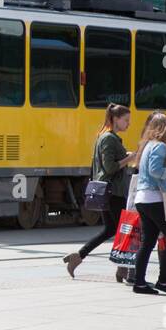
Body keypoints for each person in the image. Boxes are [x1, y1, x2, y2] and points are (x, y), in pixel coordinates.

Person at [64, 104, 139, 280]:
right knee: (125, 231)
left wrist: (125, 155)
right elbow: (110, 167)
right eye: (126, 120)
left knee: (111, 230)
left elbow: (108, 162)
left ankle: (78, 257)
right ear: (115, 119)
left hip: (107, 191)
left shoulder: (103, 137)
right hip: (113, 192)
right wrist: (130, 157)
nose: (128, 124)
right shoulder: (109, 139)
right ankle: (126, 270)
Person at [130, 112, 166, 296]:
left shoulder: (146, 145)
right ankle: (163, 280)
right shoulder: (161, 146)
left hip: (142, 199)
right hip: (154, 199)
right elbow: (155, 171)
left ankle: (139, 283)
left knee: (147, 242)